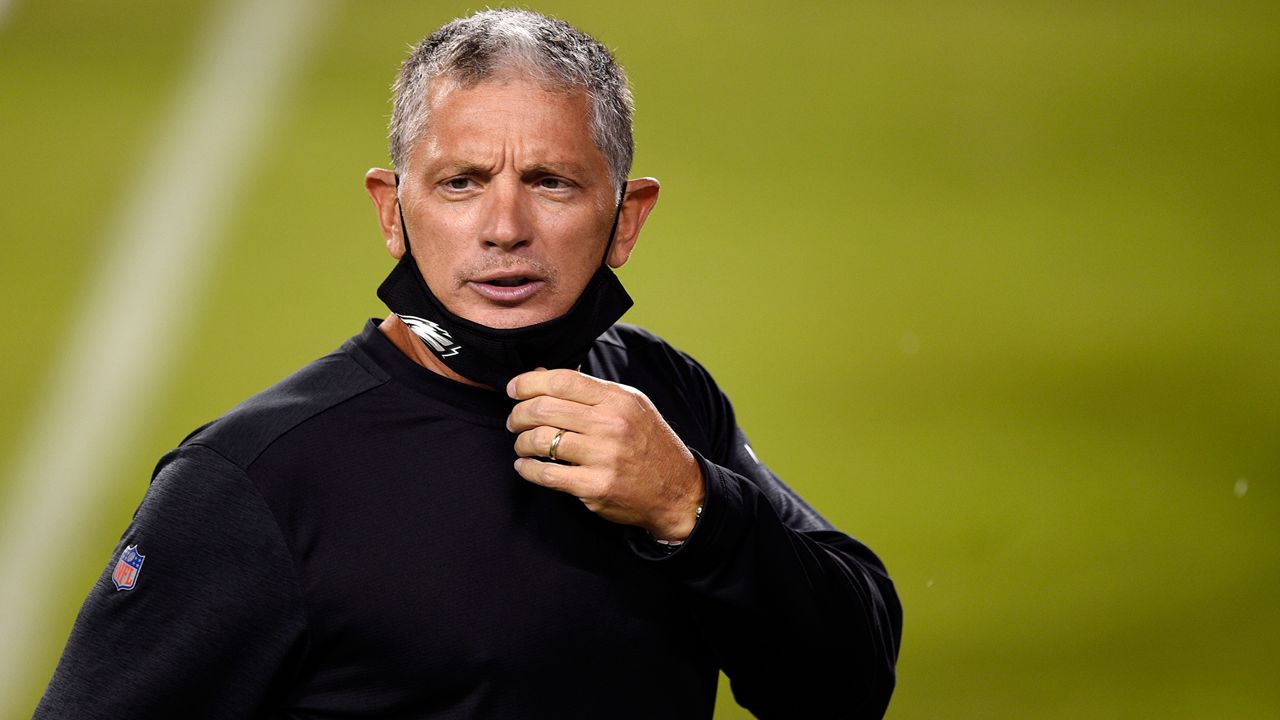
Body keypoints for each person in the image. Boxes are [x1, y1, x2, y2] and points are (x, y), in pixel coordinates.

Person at [35, 9, 901, 719]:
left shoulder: (664, 402)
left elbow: (849, 685)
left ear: (626, 219)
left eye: (552, 182)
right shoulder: (250, 483)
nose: (504, 228)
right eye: (461, 182)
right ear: (393, 210)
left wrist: (692, 509)